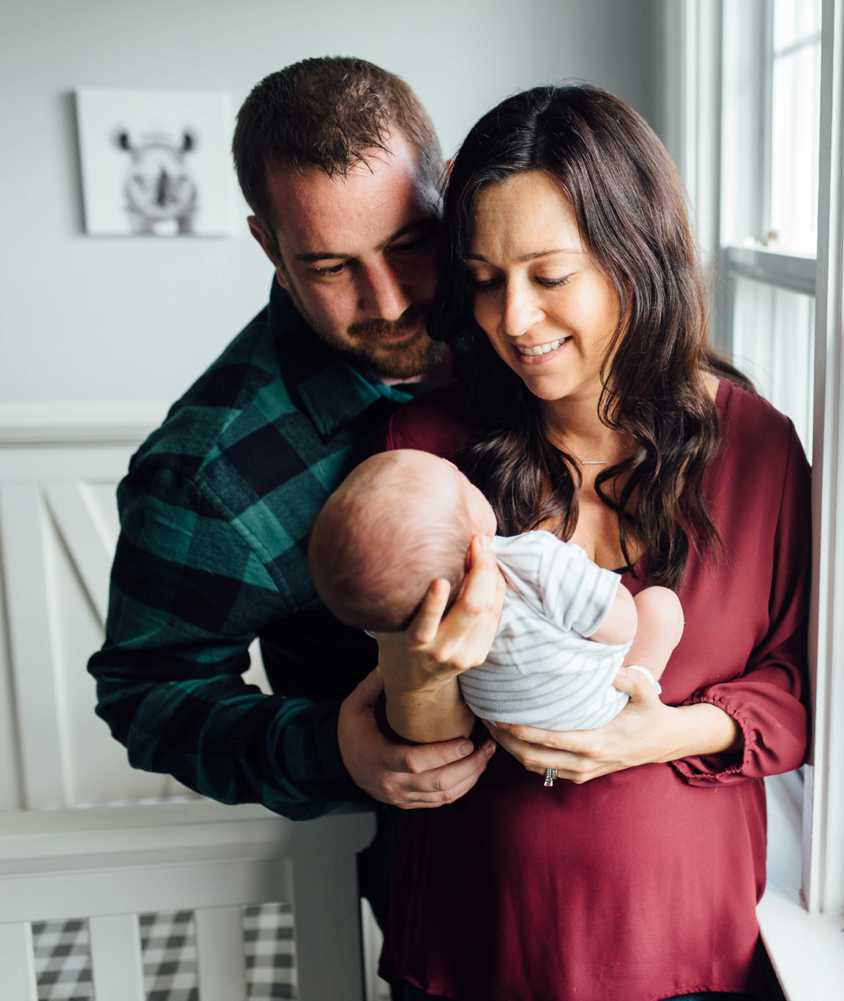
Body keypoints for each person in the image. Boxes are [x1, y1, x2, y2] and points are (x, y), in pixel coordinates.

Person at [369, 84, 811, 1001]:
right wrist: (422, 675)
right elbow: (416, 738)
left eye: (549, 273)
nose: (513, 320)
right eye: (486, 280)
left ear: (634, 254)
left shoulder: (759, 450)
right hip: (474, 950)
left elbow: (798, 689)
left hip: (688, 952)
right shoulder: (426, 456)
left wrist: (657, 735)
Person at [86, 57, 503, 917]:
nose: (387, 301)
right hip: (438, 890)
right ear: (269, 248)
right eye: (329, 266)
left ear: (450, 189)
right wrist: (331, 750)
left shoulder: (536, 329)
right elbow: (150, 696)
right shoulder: (211, 473)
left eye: (407, 244)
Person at [306, 448, 683, 738]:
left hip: (504, 726)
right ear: (472, 519)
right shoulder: (532, 557)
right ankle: (639, 684)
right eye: (461, 483)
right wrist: (582, 575)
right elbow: (621, 625)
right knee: (660, 607)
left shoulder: (413, 620)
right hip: (593, 712)